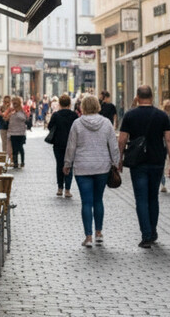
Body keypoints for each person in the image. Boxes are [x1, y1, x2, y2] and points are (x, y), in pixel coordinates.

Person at [118, 85, 170, 248]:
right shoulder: (162, 116)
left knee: (141, 199)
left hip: (138, 162)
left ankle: (146, 235)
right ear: (152, 97)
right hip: (157, 160)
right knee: (153, 198)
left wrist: (119, 160)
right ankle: (153, 231)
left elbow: (122, 140)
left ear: (137, 97)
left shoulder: (130, 115)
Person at [63, 94, 119, 247]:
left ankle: (88, 237)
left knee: (86, 202)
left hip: (82, 167)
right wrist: (116, 162)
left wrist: (67, 164)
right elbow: (113, 145)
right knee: (98, 200)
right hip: (102, 166)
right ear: (97, 106)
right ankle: (99, 233)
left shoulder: (77, 124)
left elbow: (71, 146)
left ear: (83, 107)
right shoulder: (106, 123)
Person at [47, 93, 77, 198]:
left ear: (59, 103)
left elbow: (50, 126)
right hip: (71, 144)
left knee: (59, 165)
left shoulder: (56, 115)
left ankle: (60, 188)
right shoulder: (74, 115)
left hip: (58, 144)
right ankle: (67, 190)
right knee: (69, 165)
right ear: (69, 104)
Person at [7, 96, 30, 168]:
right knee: (14, 149)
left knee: (20, 147)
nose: (14, 105)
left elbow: (24, 119)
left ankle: (22, 162)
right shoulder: (11, 112)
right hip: (13, 133)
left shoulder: (22, 111)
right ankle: (15, 163)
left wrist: (16, 113)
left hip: (20, 133)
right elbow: (7, 120)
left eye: (15, 103)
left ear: (19, 104)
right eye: (13, 103)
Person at [0, 95, 12, 161]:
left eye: (7, 101)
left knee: (10, 142)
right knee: (4, 142)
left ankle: (11, 157)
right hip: (3, 127)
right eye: (5, 101)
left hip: (10, 127)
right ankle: (4, 157)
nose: (6, 103)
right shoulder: (0, 108)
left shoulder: (12, 109)